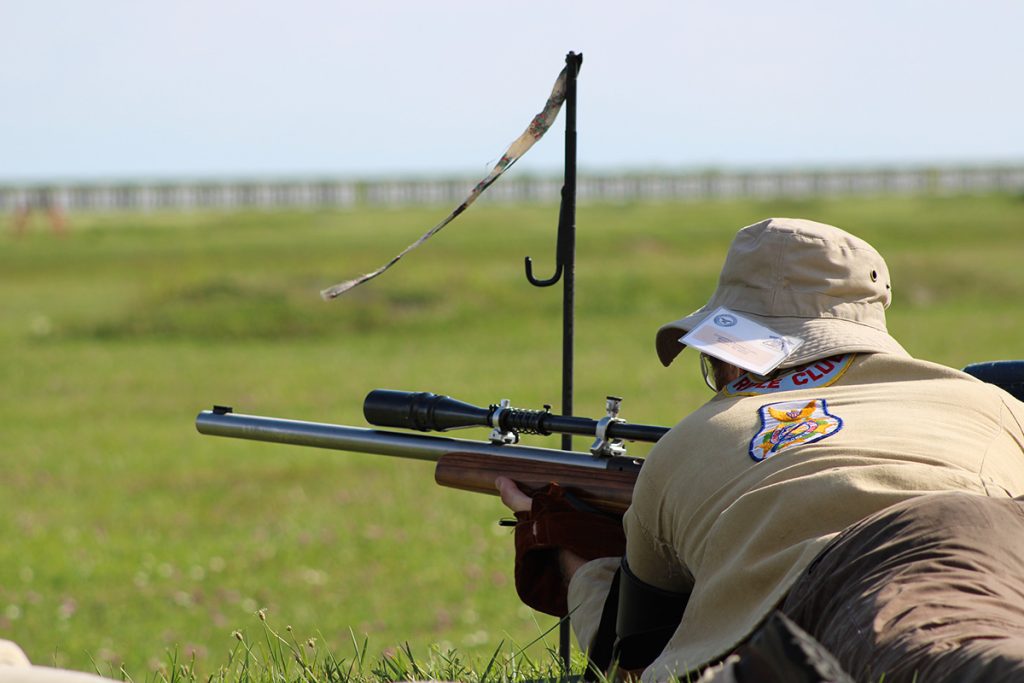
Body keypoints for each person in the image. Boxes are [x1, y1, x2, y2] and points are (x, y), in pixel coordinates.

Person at [498, 217, 1024, 682]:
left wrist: (575, 558)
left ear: (734, 354)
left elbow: (633, 659)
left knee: (952, 661)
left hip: (839, 576)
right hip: (999, 532)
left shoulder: (686, 444)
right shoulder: (988, 401)